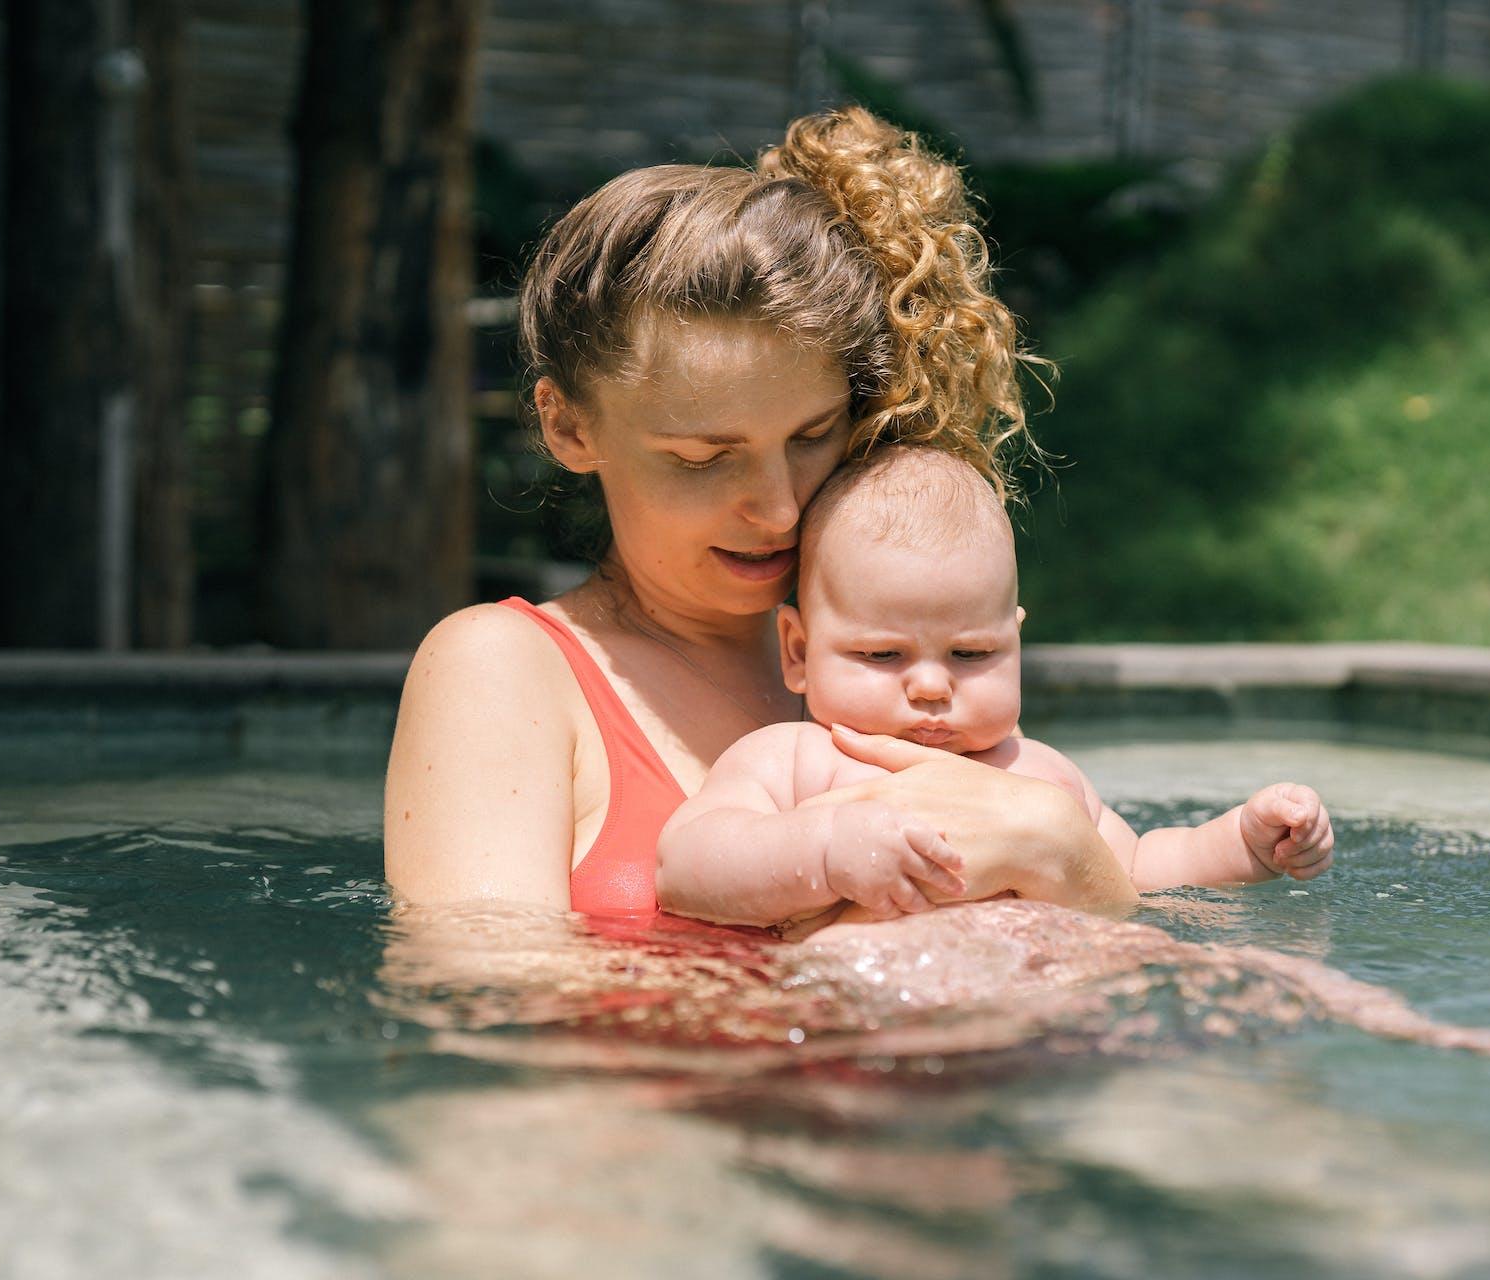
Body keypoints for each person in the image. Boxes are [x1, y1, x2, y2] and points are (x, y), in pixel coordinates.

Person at [384, 107, 1137, 919]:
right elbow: (484, 1006)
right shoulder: (502, 669)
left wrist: (1063, 849)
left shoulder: (914, 672)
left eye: (813, 437)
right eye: (703, 458)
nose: (779, 507)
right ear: (569, 425)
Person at [657, 446, 1335, 934]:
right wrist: (823, 850)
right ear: (799, 652)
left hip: (1034, 1035)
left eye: (971, 653)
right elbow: (687, 867)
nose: (929, 685)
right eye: (880, 653)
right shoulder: (792, 759)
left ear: (1014, 642)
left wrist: (1242, 845)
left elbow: (1134, 869)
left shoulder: (1038, 774)